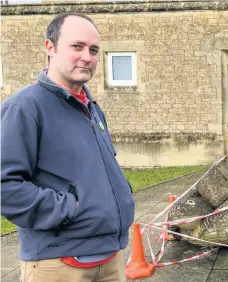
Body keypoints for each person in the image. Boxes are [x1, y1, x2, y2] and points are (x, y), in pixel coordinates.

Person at [1, 12, 135, 282]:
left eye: (94, 50)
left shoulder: (92, 107)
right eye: (77, 46)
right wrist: (68, 208)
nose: (87, 56)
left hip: (111, 257)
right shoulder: (24, 108)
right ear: (50, 47)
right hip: (58, 264)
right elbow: (6, 186)